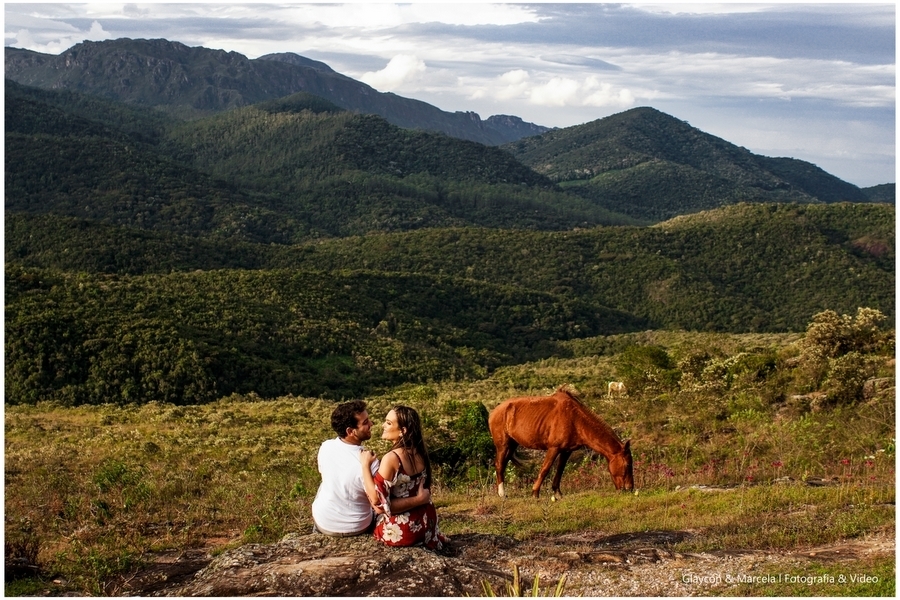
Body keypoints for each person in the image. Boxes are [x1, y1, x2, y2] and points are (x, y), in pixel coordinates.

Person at [311, 400, 431, 536]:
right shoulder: (371, 463)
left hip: (323, 521)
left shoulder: (325, 447)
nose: (372, 424)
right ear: (350, 431)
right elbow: (378, 502)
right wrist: (419, 500)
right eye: (365, 422)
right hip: (356, 526)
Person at [360, 405, 449, 551]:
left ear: (403, 431)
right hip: (426, 525)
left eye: (388, 423)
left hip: (404, 531)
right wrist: (420, 499)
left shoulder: (392, 458)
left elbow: (380, 505)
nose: (383, 425)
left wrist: (365, 466)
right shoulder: (420, 452)